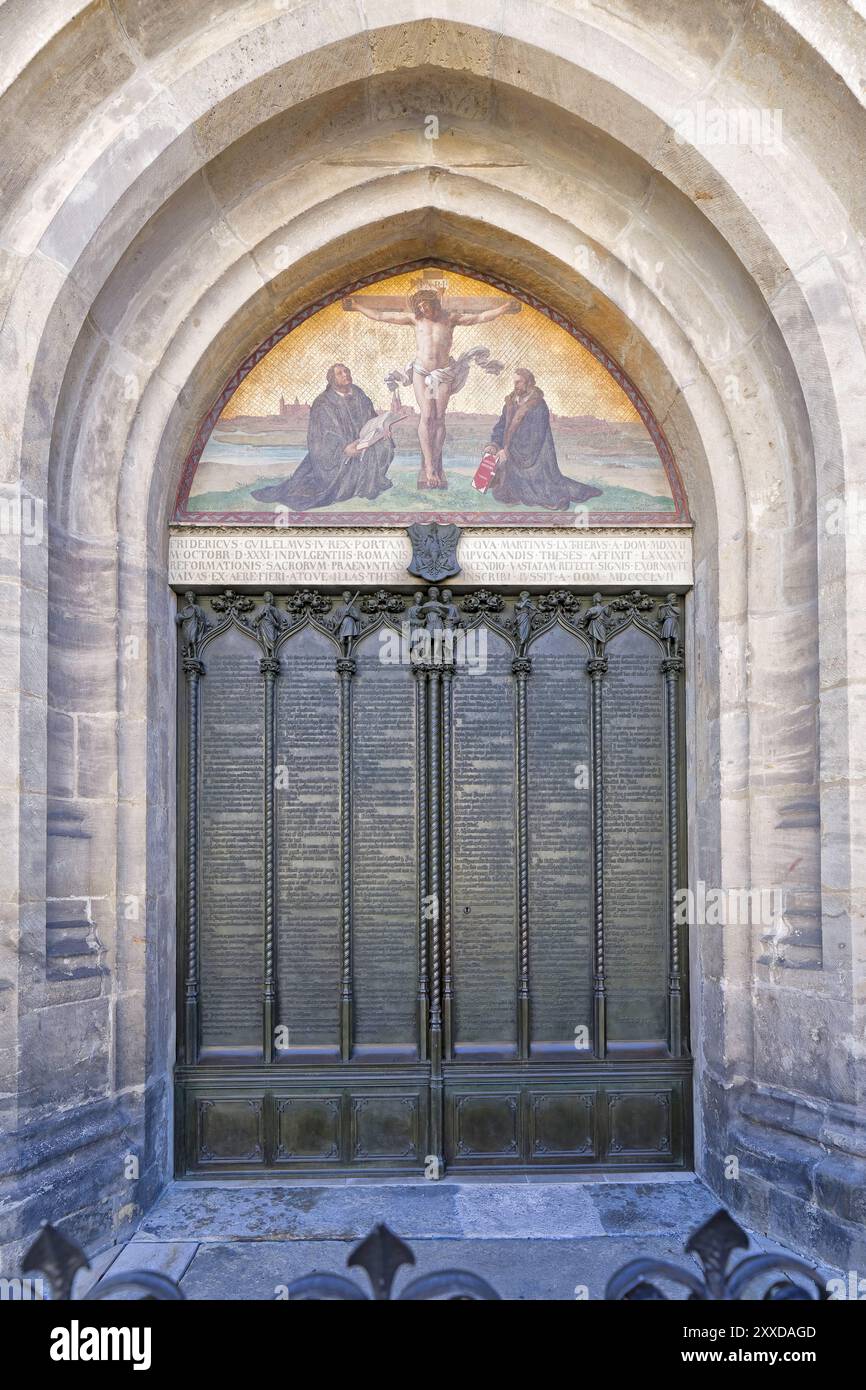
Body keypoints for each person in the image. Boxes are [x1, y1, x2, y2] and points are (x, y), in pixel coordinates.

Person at [343, 286, 519, 488]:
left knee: (438, 417)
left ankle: (435, 462)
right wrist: (357, 306)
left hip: (443, 373)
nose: (423, 309)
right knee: (426, 415)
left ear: (433, 304)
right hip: (421, 372)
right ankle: (429, 467)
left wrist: (504, 308)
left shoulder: (450, 318)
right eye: (419, 307)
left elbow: (480, 317)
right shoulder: (416, 319)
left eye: (425, 305)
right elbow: (381, 315)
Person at [251, 365, 394, 509]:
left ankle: (370, 483)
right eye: (340, 373)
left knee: (386, 444)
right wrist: (344, 449)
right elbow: (322, 436)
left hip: (363, 442)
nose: (345, 374)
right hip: (335, 454)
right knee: (327, 484)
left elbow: (372, 418)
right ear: (332, 379)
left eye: (347, 371)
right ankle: (353, 486)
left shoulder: (358, 394)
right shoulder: (323, 403)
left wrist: (383, 427)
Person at [489, 369, 603, 511]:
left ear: (529, 383)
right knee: (502, 493)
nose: (515, 385)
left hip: (536, 459)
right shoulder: (510, 402)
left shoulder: (538, 405)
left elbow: (535, 437)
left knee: (546, 495)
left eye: (518, 382)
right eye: (514, 382)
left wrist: (507, 451)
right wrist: (495, 445)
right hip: (512, 454)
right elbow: (501, 426)